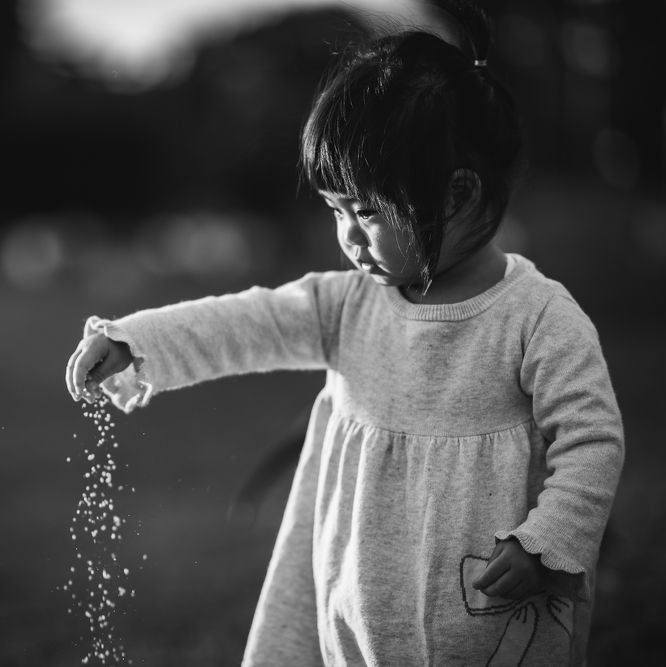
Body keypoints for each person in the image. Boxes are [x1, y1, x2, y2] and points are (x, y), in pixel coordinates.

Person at [64, 0, 624, 663]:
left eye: (366, 210)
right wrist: (135, 340)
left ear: (458, 195)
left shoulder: (537, 318)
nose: (348, 237)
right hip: (360, 615)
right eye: (336, 209)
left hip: (488, 620)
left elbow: (591, 437)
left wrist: (547, 540)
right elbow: (247, 320)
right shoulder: (349, 305)